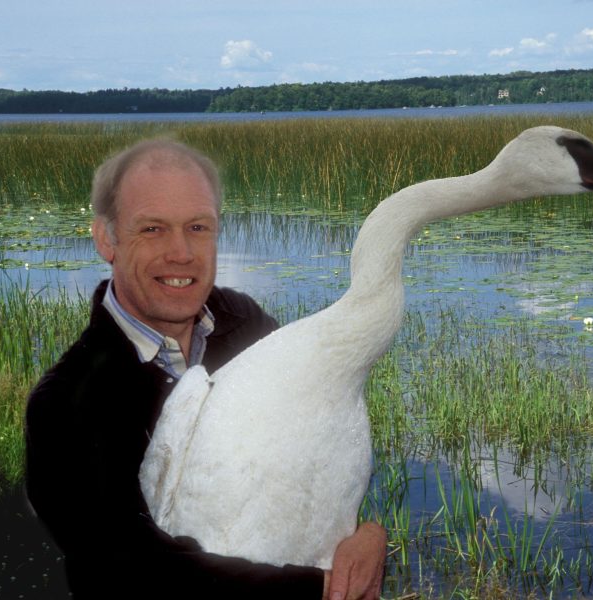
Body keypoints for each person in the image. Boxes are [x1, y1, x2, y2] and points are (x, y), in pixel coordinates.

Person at [25, 139, 387, 599]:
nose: (181, 253)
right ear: (106, 239)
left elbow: (316, 459)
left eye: (198, 227)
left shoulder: (246, 325)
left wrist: (371, 533)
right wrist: (319, 589)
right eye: (152, 229)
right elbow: (126, 567)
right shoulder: (67, 402)